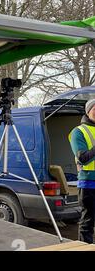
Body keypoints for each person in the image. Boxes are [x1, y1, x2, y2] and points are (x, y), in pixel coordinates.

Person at [69, 98, 95, 244]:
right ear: (88, 111)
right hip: (89, 183)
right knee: (88, 222)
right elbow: (83, 158)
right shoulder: (78, 132)